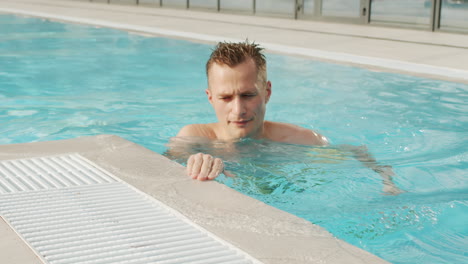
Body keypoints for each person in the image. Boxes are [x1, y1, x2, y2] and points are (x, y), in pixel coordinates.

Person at [172, 41, 402, 194]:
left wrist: (387, 181)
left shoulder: (299, 139)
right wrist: (195, 161)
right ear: (210, 98)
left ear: (267, 92)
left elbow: (356, 152)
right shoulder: (195, 139)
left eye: (248, 95)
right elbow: (163, 170)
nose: (238, 109)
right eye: (225, 98)